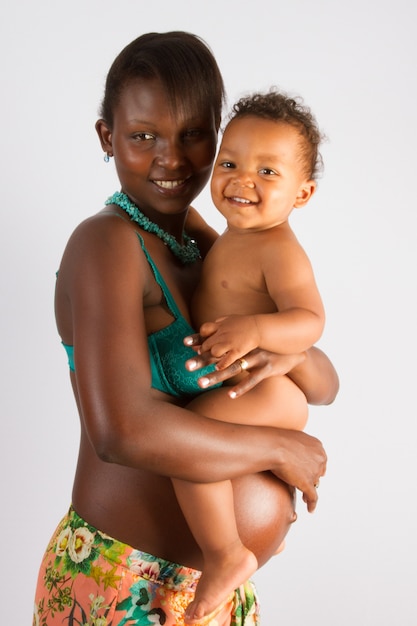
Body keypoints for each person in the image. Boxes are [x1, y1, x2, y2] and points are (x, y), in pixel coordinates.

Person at [33, 32, 338, 626]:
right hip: (120, 585)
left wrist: (278, 352)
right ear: (107, 136)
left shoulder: (204, 241)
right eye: (144, 136)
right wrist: (282, 448)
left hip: (212, 593)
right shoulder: (105, 244)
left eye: (194, 135)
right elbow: (120, 433)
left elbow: (322, 380)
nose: (171, 159)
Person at [172, 89, 327, 623]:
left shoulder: (280, 249)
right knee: (199, 441)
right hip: (252, 392)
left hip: (267, 392)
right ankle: (265, 526)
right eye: (231, 163)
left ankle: (226, 554)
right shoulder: (231, 238)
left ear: (301, 194)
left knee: (189, 446)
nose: (243, 181)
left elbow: (311, 320)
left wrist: (257, 328)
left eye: (268, 172)